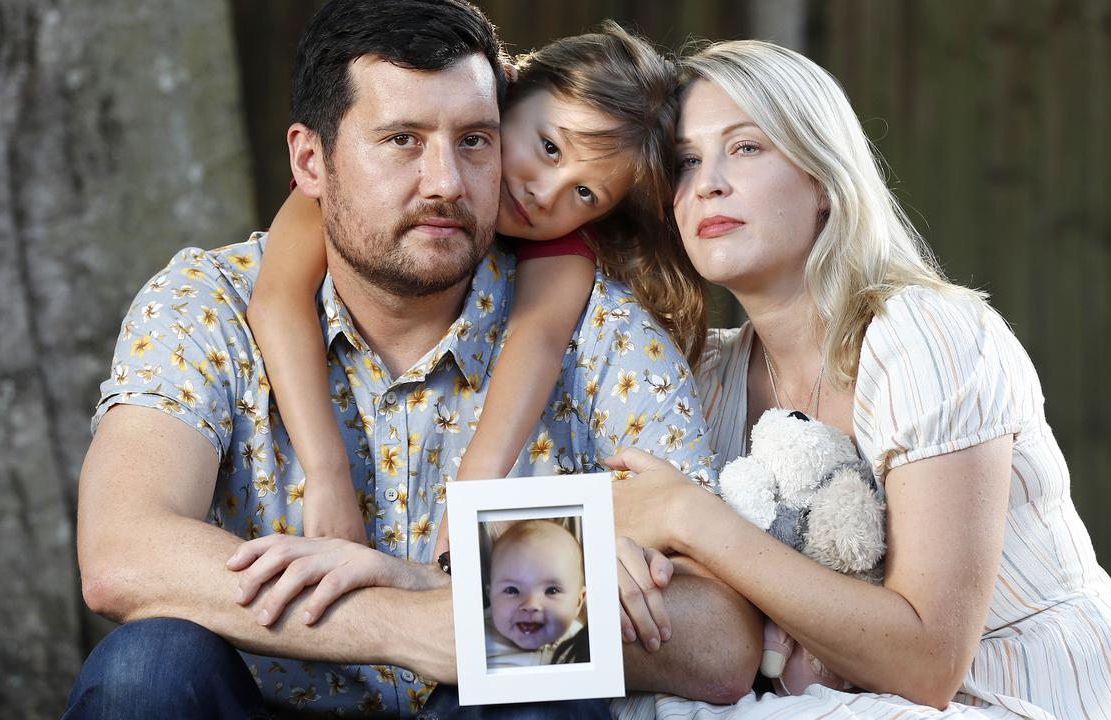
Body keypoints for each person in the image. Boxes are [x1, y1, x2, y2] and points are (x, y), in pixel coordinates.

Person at [65, 1, 763, 717]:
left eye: (474, 142)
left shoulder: (603, 332)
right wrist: (412, 626)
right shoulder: (209, 302)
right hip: (258, 702)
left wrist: (462, 598)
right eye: (402, 139)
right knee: (144, 666)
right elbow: (122, 553)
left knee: (535, 686)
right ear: (311, 160)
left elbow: (722, 643)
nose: (446, 184)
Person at [608, 40, 1111, 719]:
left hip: (1053, 693)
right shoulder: (704, 381)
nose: (709, 184)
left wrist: (686, 517)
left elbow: (928, 664)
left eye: (747, 148)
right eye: (685, 163)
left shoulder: (926, 335)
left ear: (822, 176)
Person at [247, 21, 707, 560]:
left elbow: (535, 343)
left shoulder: (564, 256)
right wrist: (326, 474)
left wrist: (471, 508)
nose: (543, 193)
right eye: (549, 147)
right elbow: (277, 300)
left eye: (584, 192)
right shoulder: (349, 188)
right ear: (504, 95)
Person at [484, 520, 587, 668]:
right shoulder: (477, 639)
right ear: (491, 595)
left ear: (578, 601)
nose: (531, 605)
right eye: (512, 590)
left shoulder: (581, 643)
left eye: (551, 591)